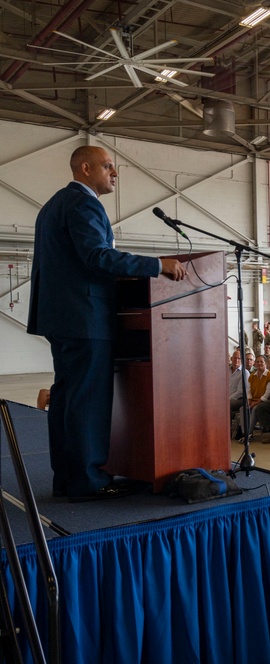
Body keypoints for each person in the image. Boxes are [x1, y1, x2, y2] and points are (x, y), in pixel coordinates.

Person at [27, 146, 187, 501]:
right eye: (108, 166)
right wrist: (156, 265)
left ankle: (67, 479)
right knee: (87, 400)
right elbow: (97, 257)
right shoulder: (83, 204)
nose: (114, 173)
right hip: (85, 317)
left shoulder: (53, 205)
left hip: (61, 316)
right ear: (85, 169)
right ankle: (88, 481)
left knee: (67, 398)